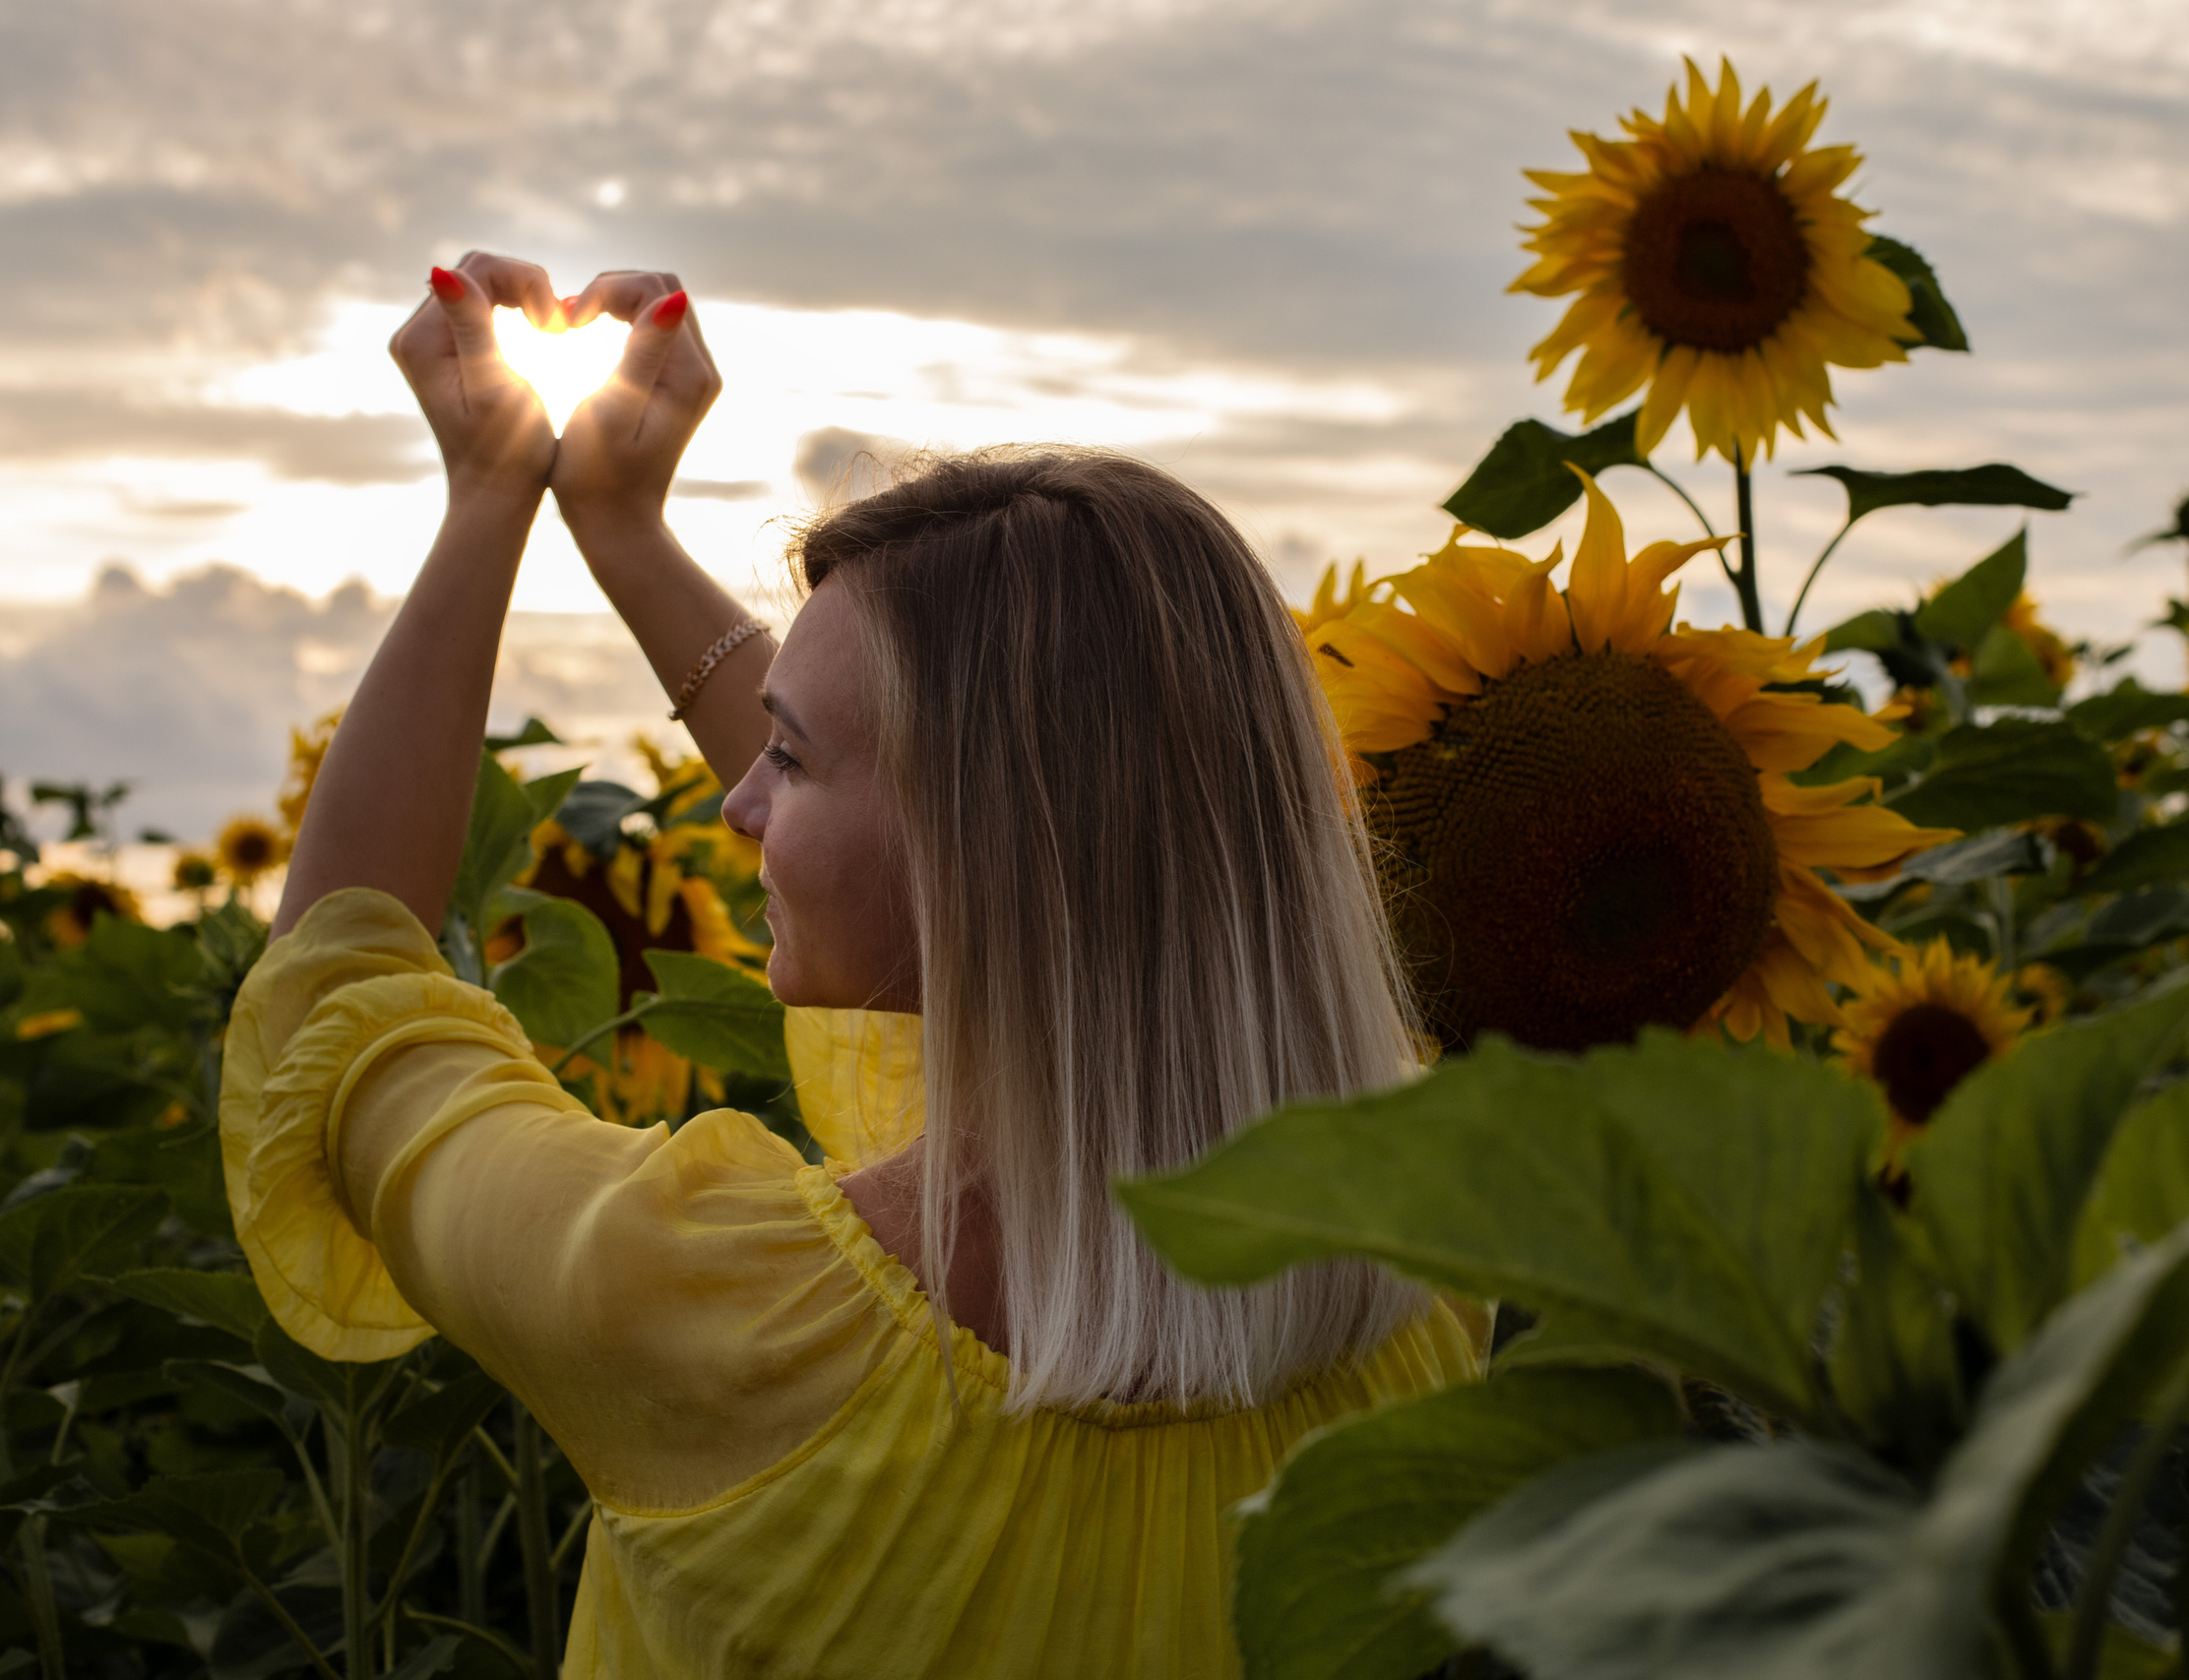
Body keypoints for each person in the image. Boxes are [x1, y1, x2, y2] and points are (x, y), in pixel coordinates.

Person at [220, 251, 1484, 1677]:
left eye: (792, 764)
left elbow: (340, 1007)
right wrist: (628, 535)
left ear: (982, 867)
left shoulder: (713, 1313)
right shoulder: (1434, 1262)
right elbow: (984, 886)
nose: (737, 805)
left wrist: (486, 504)